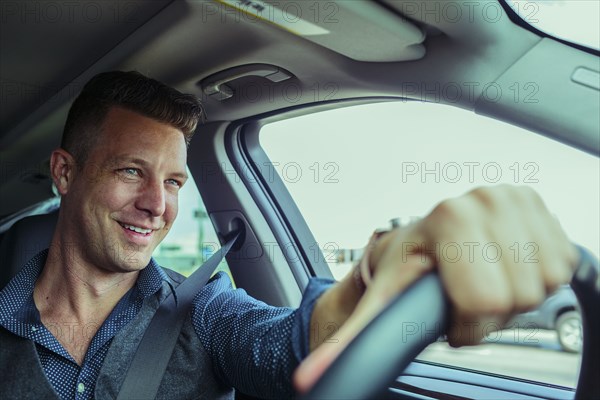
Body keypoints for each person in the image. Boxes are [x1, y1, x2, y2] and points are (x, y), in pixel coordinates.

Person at [0, 71, 578, 399]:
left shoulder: (202, 311)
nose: (157, 205)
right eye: (132, 171)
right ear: (65, 173)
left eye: (175, 182)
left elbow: (288, 342)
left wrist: (381, 273)